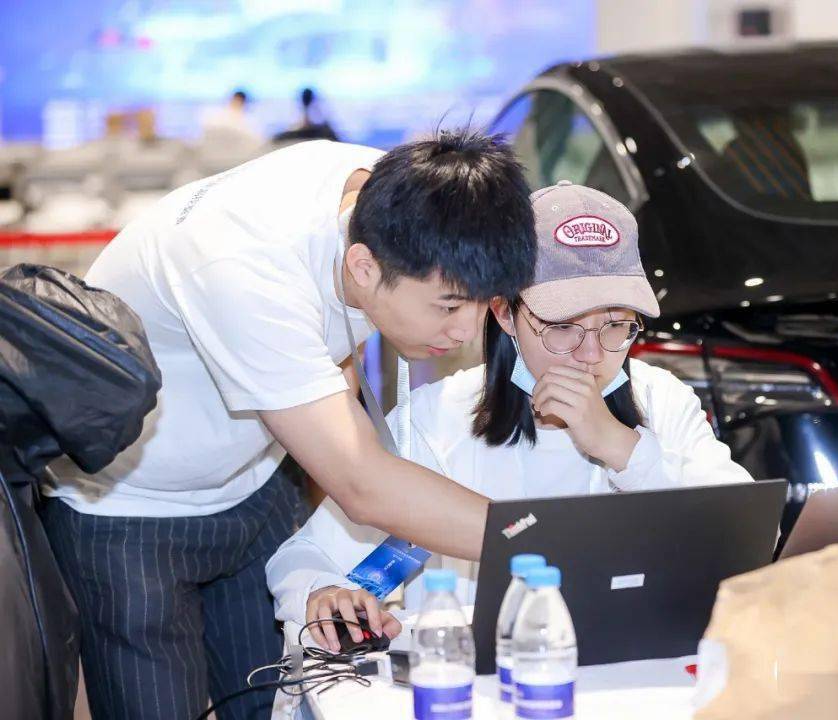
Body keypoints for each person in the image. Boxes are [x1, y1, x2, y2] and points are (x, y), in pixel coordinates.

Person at [41, 131, 537, 719]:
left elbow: (337, 368)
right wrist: (539, 542)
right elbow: (363, 483)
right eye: (449, 306)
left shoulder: (391, 198)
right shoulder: (240, 266)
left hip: (256, 480)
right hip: (127, 511)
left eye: (484, 304)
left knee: (281, 703)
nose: (466, 331)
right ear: (363, 265)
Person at [266, 182, 754, 652]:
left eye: (616, 325)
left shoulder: (662, 400)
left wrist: (621, 447)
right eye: (562, 327)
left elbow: (747, 541)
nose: (590, 354)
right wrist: (322, 591)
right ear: (504, 313)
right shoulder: (439, 419)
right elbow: (304, 556)